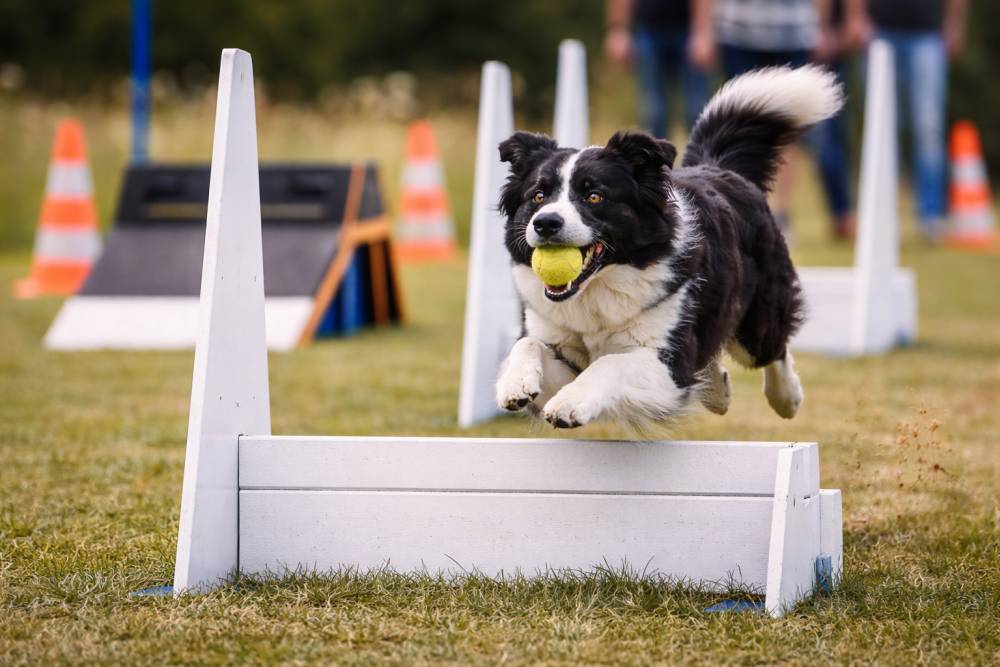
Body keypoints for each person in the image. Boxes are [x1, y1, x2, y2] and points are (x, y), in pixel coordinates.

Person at [845, 0, 968, 241]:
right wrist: (856, 18)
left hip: (928, 34)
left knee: (928, 128)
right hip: (880, 32)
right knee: (882, 130)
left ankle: (931, 216)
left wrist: (953, 27)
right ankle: (884, 215)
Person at [712, 0, 835, 237]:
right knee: (739, 130)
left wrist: (821, 27)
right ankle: (742, 208)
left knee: (787, 127)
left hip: (794, 31)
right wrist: (705, 31)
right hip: (737, 32)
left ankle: (780, 214)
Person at [604, 0, 716, 139]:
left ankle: (702, 157)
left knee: (697, 109)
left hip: (689, 30)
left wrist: (702, 33)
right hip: (649, 30)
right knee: (653, 111)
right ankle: (655, 158)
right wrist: (619, 30)